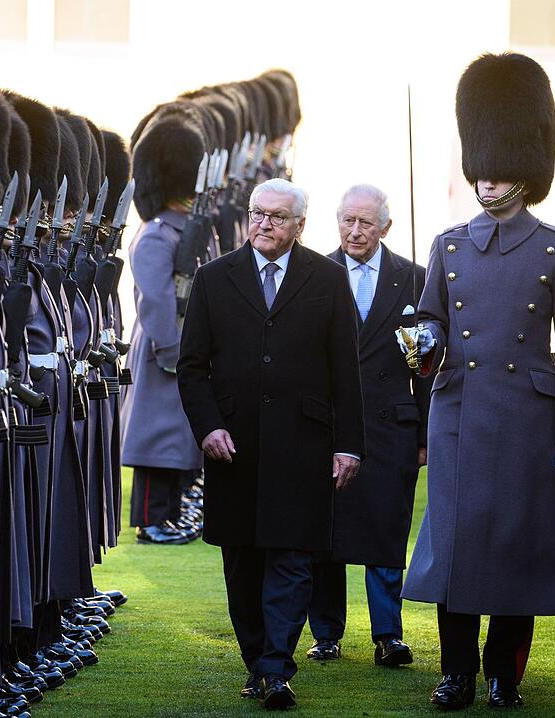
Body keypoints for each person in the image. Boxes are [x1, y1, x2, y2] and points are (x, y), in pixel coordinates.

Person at [399, 52, 555, 710]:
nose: (487, 182)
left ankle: (503, 673)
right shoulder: (449, 247)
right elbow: (431, 321)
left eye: (500, 169)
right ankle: (455, 672)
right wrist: (421, 340)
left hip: (523, 421)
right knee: (454, 550)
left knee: (516, 549)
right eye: (480, 168)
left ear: (527, 171)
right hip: (457, 415)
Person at [178, 177, 364, 710]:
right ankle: (257, 660)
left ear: (300, 225)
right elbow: (191, 369)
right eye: (259, 213)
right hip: (233, 448)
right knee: (242, 563)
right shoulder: (215, 278)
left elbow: (345, 372)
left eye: (278, 217)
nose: (264, 223)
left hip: (303, 446)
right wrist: (208, 426)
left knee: (292, 559)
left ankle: (277, 668)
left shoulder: (327, 279)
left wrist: (348, 445)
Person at [306, 184, 429, 667]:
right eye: (347, 221)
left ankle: (388, 634)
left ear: (386, 227)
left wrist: (423, 437)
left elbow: (429, 369)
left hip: (390, 428)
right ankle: (326, 633)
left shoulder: (415, 279)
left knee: (385, 527)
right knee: (325, 532)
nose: (355, 232)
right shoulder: (313, 274)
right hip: (327, 426)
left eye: (366, 224)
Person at [122, 107, 212, 545]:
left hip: (183, 345)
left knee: (178, 441)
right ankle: (150, 519)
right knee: (157, 443)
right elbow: (155, 299)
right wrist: (172, 350)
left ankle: (170, 514)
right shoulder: (157, 234)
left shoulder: (184, 229)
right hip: (165, 347)